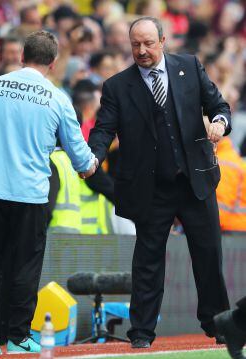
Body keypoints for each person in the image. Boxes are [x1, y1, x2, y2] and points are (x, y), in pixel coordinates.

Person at [88, 16, 231, 348]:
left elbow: (219, 105)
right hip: (151, 188)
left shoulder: (190, 67)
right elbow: (103, 130)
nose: (142, 50)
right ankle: (141, 333)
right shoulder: (117, 87)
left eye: (148, 43)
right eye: (136, 44)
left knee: (209, 255)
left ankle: (218, 324)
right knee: (148, 262)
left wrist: (220, 123)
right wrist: (94, 156)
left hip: (195, 181)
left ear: (163, 41)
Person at [0, 30, 97, 355]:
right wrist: (91, 165)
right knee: (24, 267)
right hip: (30, 195)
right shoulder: (57, 98)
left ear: (22, 56)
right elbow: (80, 155)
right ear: (52, 62)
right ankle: (19, 337)